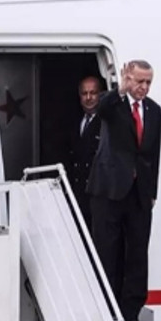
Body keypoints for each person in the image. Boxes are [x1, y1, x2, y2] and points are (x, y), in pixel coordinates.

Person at [87, 60, 161, 321]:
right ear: (128, 79)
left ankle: (131, 312)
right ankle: (107, 309)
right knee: (108, 250)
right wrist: (119, 89)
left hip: (139, 192)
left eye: (148, 82)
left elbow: (153, 153)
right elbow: (100, 108)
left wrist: (152, 191)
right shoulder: (114, 104)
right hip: (109, 189)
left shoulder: (154, 110)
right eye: (139, 81)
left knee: (137, 252)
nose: (144, 87)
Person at [67, 76, 103, 227]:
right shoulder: (74, 121)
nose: (88, 98)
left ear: (100, 94)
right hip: (77, 192)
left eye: (93, 93)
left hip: (98, 195)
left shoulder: (106, 123)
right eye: (84, 93)